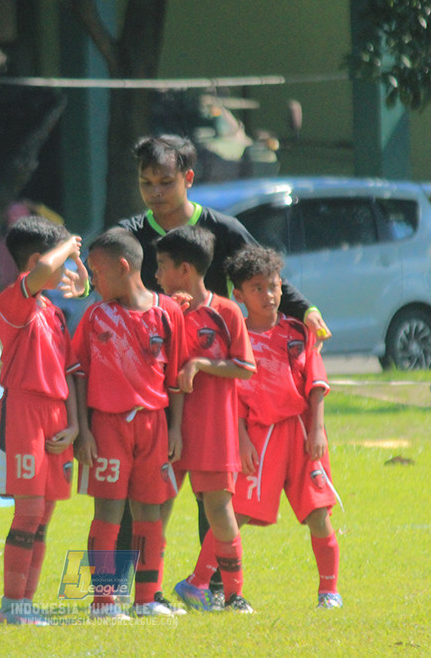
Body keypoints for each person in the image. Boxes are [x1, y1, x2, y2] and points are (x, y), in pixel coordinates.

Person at [116, 133, 331, 606]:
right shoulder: (131, 233)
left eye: (165, 182)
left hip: (211, 392)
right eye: (146, 182)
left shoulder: (224, 229)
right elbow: (109, 284)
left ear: (188, 179)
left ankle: (211, 588)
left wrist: (306, 309)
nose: (154, 192)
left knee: (211, 495)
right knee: (142, 493)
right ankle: (116, 593)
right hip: (151, 386)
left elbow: (263, 277)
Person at [72, 227, 185, 619]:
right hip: (107, 428)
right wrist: (83, 431)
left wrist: (175, 429)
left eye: (96, 272)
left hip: (153, 426)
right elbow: (78, 375)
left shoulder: (168, 312)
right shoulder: (95, 316)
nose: (93, 280)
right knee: (108, 513)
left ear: (123, 267)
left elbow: (175, 380)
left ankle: (146, 598)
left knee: (149, 513)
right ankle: (103, 602)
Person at [225, 245, 343, 609]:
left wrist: (318, 429)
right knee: (235, 512)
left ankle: (329, 591)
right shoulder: (236, 338)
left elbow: (315, 383)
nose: (269, 295)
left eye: (274, 286)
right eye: (258, 288)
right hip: (259, 436)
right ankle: (200, 582)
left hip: (300, 433)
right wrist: (242, 439)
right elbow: (234, 397)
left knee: (318, 512)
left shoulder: (296, 332)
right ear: (239, 295)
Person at [154, 226, 257, 613]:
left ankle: (233, 596)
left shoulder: (226, 311)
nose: (157, 275)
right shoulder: (165, 310)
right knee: (159, 507)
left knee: (219, 509)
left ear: (184, 269)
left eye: (162, 266)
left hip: (214, 430)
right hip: (170, 429)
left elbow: (245, 367)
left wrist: (202, 363)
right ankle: (151, 594)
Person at [0, 216, 88, 625]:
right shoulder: (13, 302)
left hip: (55, 415)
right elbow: (46, 270)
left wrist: (74, 423)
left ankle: (26, 603)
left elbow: (68, 373)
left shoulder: (54, 313)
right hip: (24, 412)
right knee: (28, 512)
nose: (64, 269)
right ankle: (12, 605)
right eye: (62, 260)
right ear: (37, 260)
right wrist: (69, 244)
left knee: (45, 515)